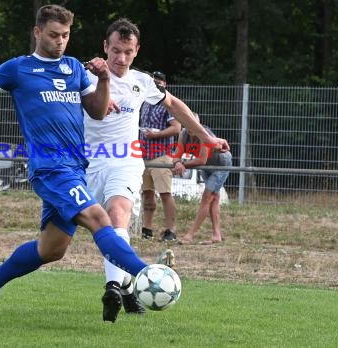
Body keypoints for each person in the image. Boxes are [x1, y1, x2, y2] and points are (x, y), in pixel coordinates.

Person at [0, 4, 153, 321]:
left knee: (52, 249)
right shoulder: (17, 69)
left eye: (65, 35)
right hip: (50, 168)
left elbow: (98, 111)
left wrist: (103, 79)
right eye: (53, 35)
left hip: (76, 167)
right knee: (100, 219)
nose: (60, 41)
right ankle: (146, 274)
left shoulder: (75, 69)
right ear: (37, 33)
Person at [83, 18, 230, 323]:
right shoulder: (85, 75)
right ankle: (124, 286)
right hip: (88, 162)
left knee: (118, 214)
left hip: (125, 160)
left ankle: (113, 286)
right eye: (115, 51)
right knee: (55, 243)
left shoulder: (143, 81)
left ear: (136, 51)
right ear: (105, 47)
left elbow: (174, 105)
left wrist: (205, 137)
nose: (121, 58)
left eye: (127, 52)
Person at [173, 113, 232, 245]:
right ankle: (216, 235)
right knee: (214, 197)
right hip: (206, 166)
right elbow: (177, 154)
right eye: (188, 124)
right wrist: (177, 163)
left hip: (220, 165)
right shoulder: (183, 134)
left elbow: (202, 159)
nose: (191, 128)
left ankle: (190, 235)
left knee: (207, 196)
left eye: (194, 124)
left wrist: (182, 164)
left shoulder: (203, 133)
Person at [140, 71, 180, 242]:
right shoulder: (145, 102)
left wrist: (156, 135)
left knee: (165, 193)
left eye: (159, 82)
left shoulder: (167, 104)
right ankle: (147, 229)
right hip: (143, 154)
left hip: (161, 154)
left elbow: (176, 127)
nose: (156, 84)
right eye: (154, 81)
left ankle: (170, 230)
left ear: (165, 85)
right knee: (147, 193)